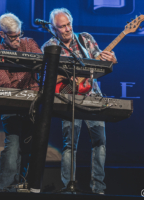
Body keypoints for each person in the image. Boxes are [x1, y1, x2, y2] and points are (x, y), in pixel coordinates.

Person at [41, 8, 117, 194]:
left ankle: (98, 188)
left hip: (93, 97)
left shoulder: (85, 39)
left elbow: (101, 64)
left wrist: (112, 60)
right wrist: (69, 76)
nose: (67, 29)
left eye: (69, 25)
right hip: (69, 99)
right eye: (62, 27)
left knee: (99, 143)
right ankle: (69, 187)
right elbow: (46, 78)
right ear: (53, 28)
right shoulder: (50, 47)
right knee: (69, 146)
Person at [0, 13, 42, 192]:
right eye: (13, 37)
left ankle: (22, 185)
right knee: (13, 146)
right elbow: (5, 84)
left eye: (19, 35)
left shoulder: (29, 43)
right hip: (11, 107)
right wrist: (26, 71)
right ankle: (3, 188)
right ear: (2, 34)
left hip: (32, 106)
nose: (17, 40)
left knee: (28, 148)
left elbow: (41, 62)